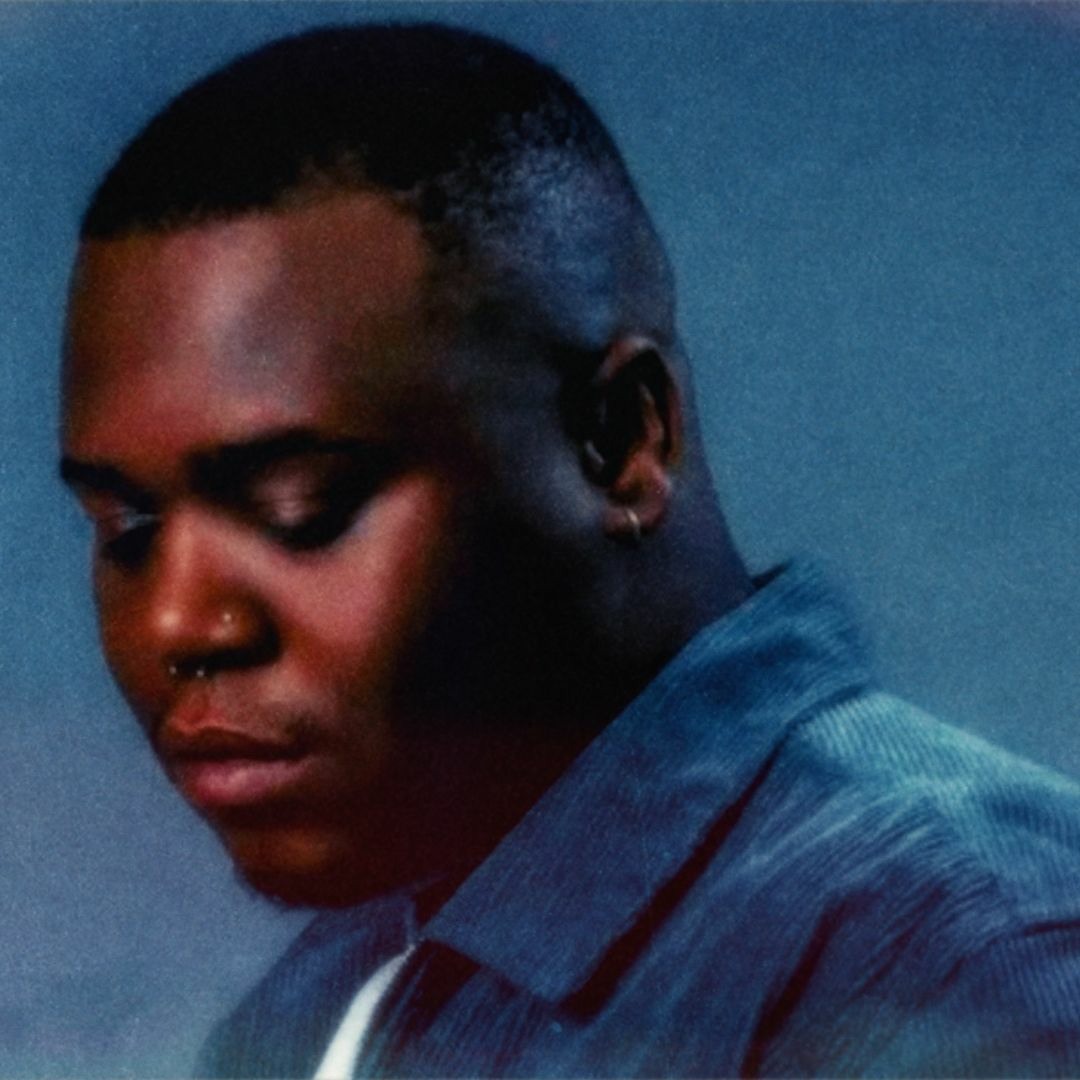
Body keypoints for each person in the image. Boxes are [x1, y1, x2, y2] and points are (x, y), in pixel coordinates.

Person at [59, 23, 1080, 1078]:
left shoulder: (963, 957)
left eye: (300, 506)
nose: (178, 621)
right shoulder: (327, 994)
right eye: (127, 531)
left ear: (621, 442)